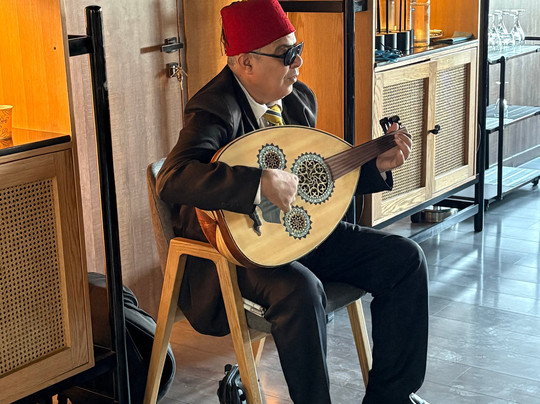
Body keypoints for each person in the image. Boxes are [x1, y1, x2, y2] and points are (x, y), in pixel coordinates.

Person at [156, 0, 429, 403]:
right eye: (286, 55)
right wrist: (257, 183)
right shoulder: (213, 107)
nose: (298, 63)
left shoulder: (299, 99)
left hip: (296, 236)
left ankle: (391, 397)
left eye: (297, 50)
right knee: (301, 290)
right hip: (234, 254)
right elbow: (173, 178)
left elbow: (310, 182)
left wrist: (374, 168)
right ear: (246, 62)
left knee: (404, 259)